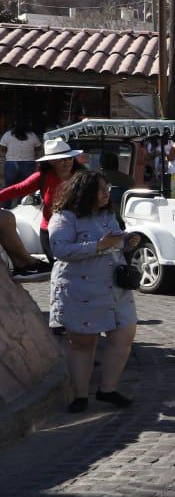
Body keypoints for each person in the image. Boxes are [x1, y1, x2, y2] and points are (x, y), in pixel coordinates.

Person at [48, 170, 139, 414]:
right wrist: (99, 246)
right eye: (100, 189)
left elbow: (114, 242)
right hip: (80, 288)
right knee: (83, 343)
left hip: (114, 287)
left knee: (125, 332)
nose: (105, 193)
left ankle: (107, 390)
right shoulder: (64, 217)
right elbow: (60, 249)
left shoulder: (108, 214)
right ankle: (80, 396)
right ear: (84, 192)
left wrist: (126, 241)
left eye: (106, 188)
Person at [0, 136, 84, 275]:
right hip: (51, 233)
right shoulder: (42, 177)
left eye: (69, 158)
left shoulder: (83, 177)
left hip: (79, 230)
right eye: (61, 159)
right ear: (51, 162)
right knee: (62, 272)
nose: (67, 162)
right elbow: (17, 189)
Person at [1, 121, 41, 196]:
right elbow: (38, 148)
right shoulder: (32, 135)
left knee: (8, 188)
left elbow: (2, 148)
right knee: (25, 188)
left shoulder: (8, 134)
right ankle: (21, 205)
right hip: (28, 164)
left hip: (11, 164)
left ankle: (7, 206)